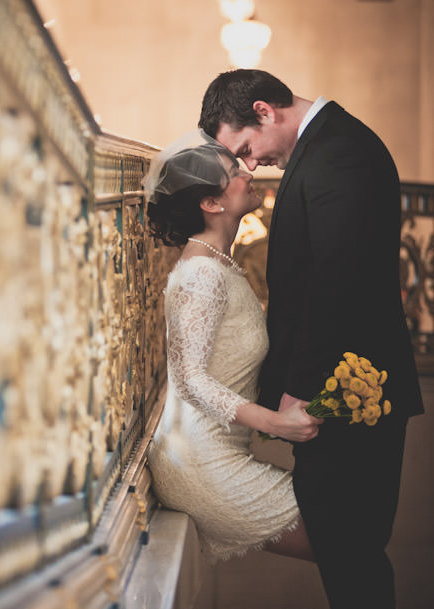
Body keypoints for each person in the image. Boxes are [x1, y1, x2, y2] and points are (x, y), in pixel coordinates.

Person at [199, 69, 424, 609]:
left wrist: (298, 392)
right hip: (341, 390)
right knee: (348, 549)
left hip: (347, 394)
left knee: (351, 548)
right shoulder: (329, 146)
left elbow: (335, 283)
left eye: (247, 148)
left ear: (263, 110)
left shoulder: (339, 150)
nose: (251, 165)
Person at [143, 129, 320, 564]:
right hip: (200, 465)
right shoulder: (202, 274)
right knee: (343, 542)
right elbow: (190, 381)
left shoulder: (217, 263)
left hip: (217, 454)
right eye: (231, 171)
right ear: (212, 203)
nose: (246, 172)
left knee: (349, 537)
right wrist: (278, 424)